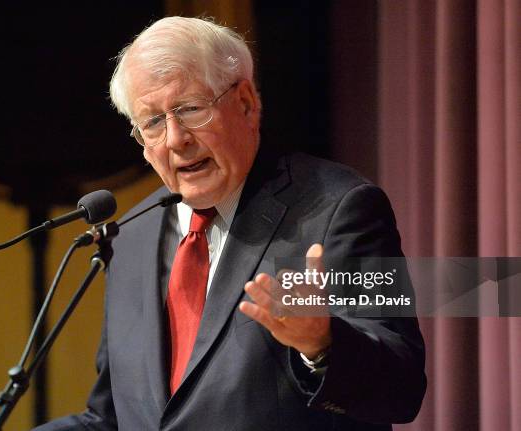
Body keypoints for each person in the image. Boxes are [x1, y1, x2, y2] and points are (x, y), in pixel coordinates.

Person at [34, 16, 425, 431]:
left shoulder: (341, 208)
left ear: (245, 102)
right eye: (152, 122)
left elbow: (401, 387)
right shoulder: (130, 237)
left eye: (190, 109)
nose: (174, 138)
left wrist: (323, 345)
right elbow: (110, 418)